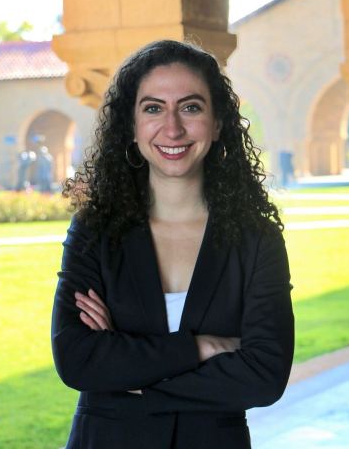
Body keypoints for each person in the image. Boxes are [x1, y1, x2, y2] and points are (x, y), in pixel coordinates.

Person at [52, 40, 294, 449]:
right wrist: (202, 348)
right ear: (131, 125)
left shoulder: (256, 238)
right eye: (152, 108)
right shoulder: (96, 230)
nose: (173, 128)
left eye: (191, 107)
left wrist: (131, 374)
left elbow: (265, 375)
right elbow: (78, 360)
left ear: (217, 123)